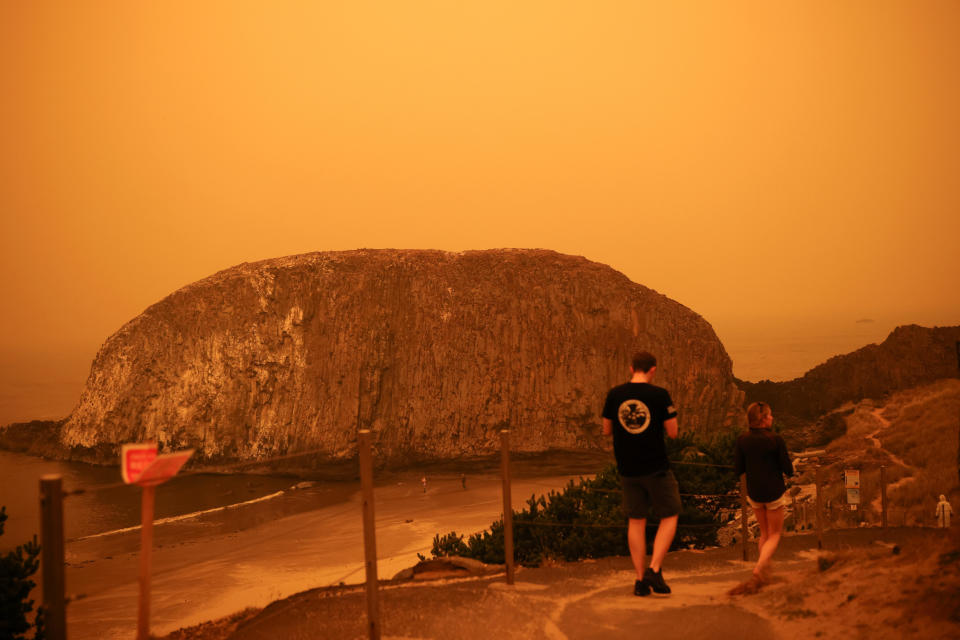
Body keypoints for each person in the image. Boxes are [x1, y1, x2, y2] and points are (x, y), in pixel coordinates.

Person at [602, 351, 680, 597]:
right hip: (655, 466)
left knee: (636, 521)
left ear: (630, 367)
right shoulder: (659, 395)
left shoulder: (615, 395)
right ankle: (654, 569)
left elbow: (606, 430)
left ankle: (639, 580)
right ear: (653, 370)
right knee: (670, 514)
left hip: (627, 467)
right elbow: (673, 432)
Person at [733, 401, 794, 588]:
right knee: (775, 534)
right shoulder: (775, 440)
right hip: (773, 492)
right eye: (770, 415)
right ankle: (760, 568)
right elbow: (788, 469)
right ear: (763, 419)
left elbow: (738, 469)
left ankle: (764, 573)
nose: (772, 418)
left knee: (764, 534)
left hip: (754, 493)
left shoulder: (742, 440)